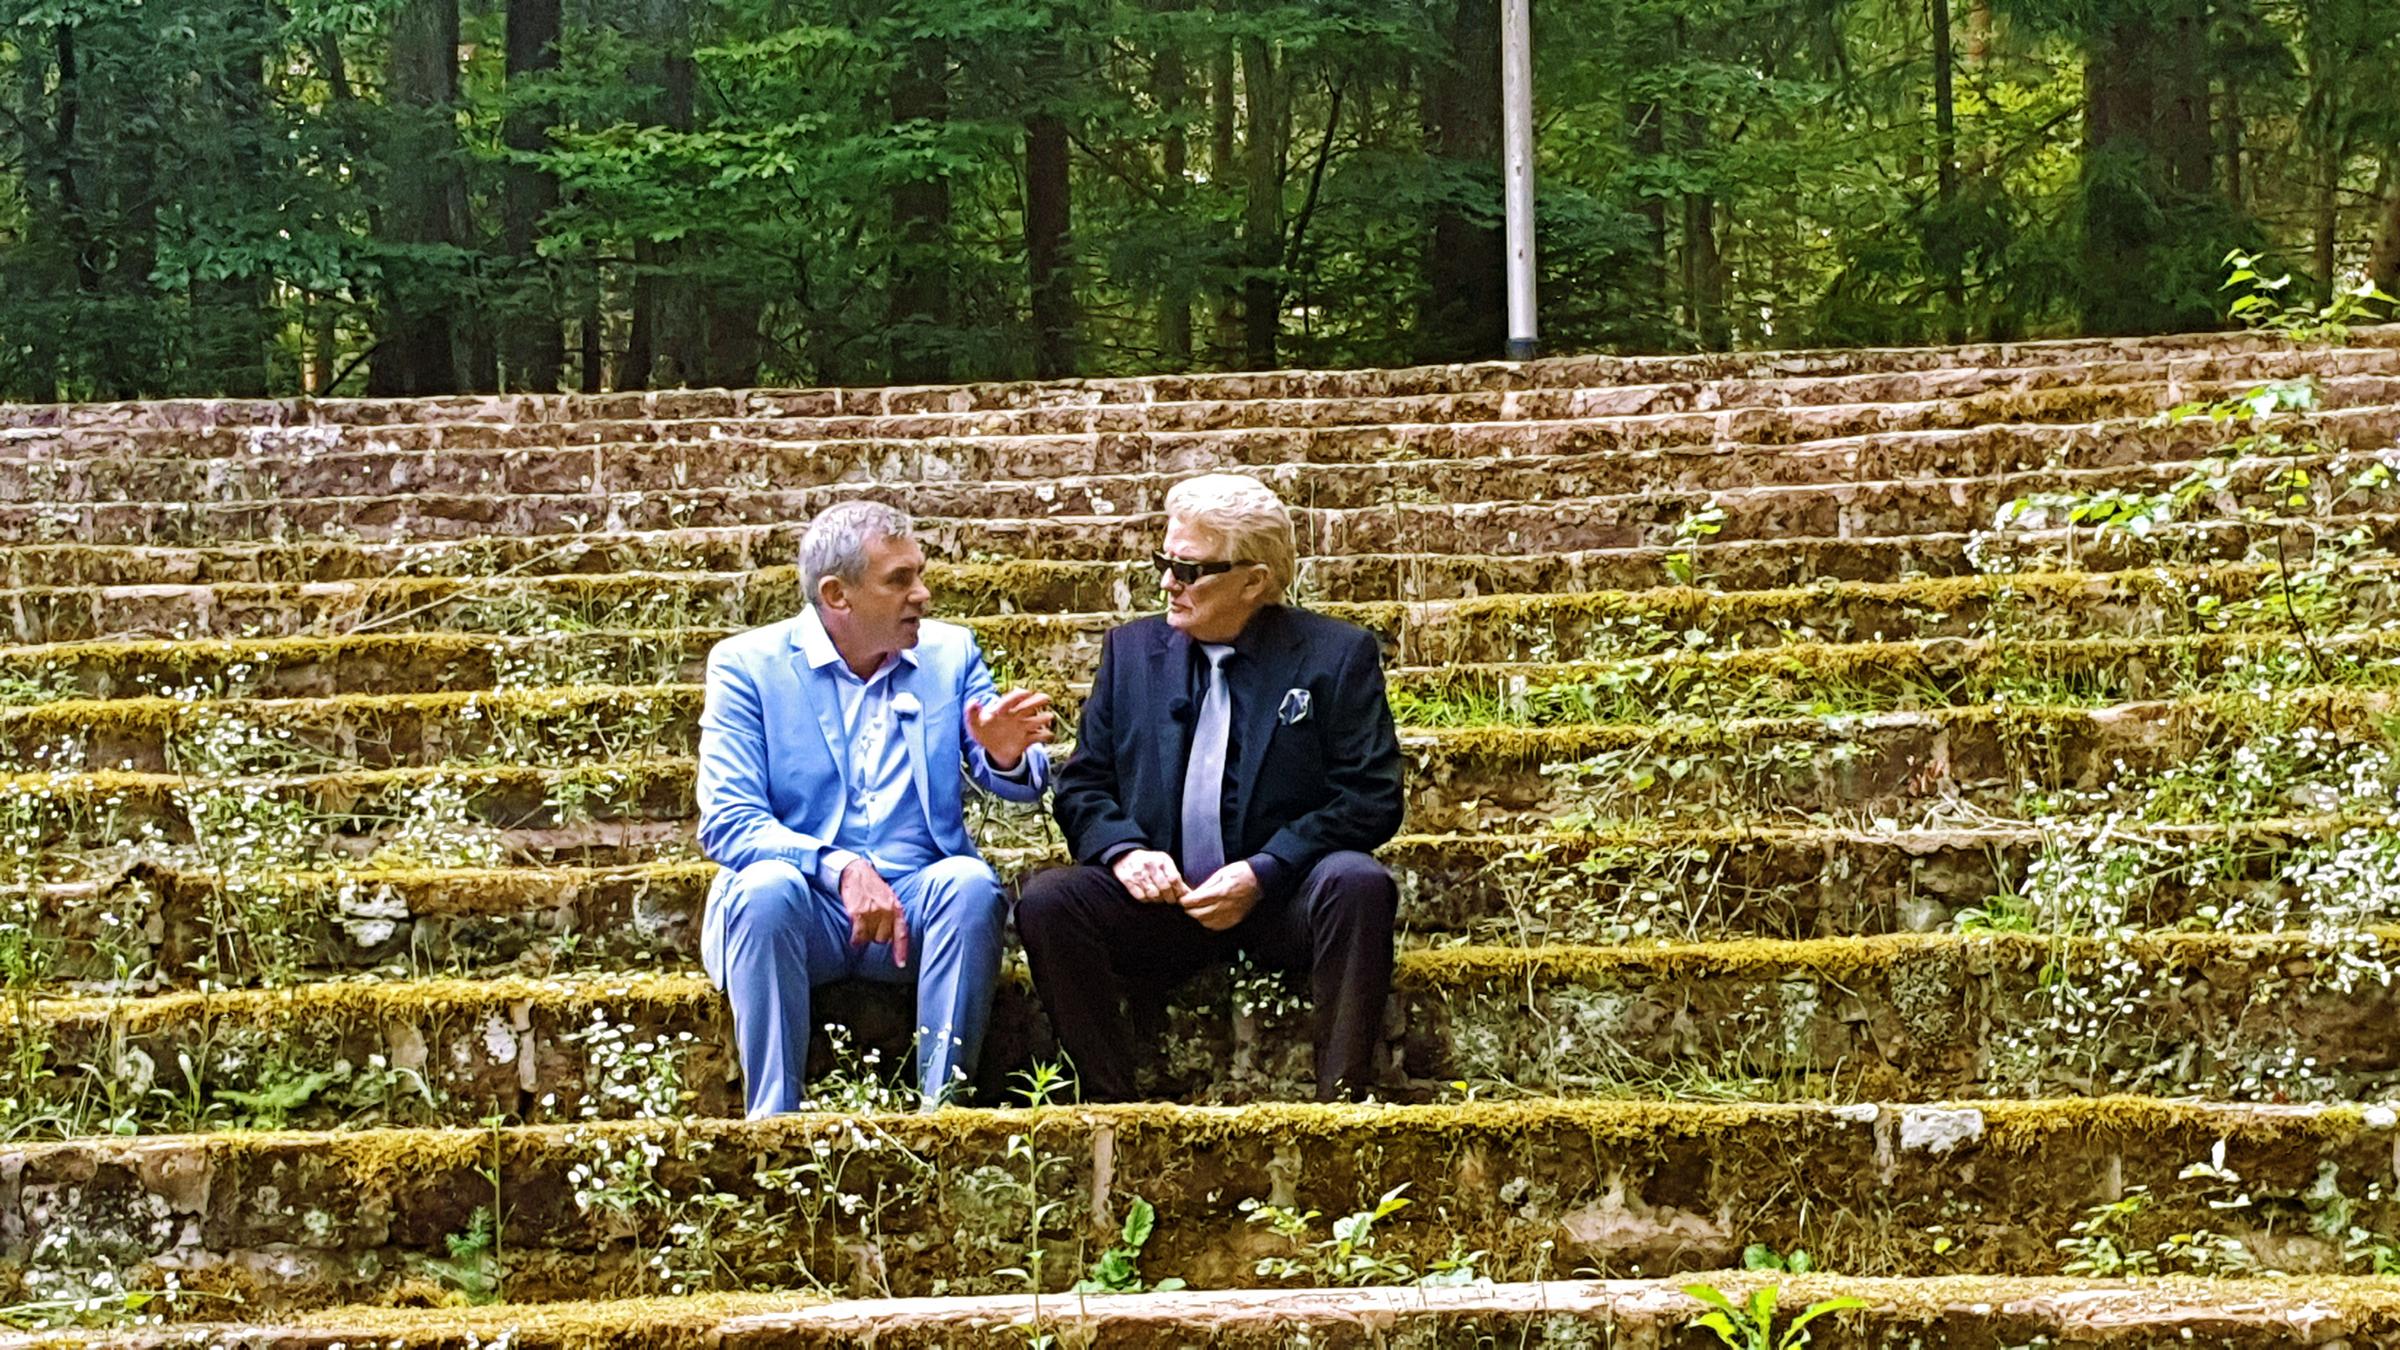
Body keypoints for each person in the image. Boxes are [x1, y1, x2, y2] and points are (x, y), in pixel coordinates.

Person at [1016, 473, 1405, 1102]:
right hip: (1158, 902)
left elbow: (1371, 795)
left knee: (1359, 884)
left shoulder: (1336, 655)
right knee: (1047, 903)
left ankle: (1345, 1102)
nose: (1169, 582)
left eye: (1189, 570)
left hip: (1280, 898)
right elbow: (1084, 782)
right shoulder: (1130, 651)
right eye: (1163, 563)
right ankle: (1113, 1105)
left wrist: (1267, 869)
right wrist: (1125, 853)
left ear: (1253, 580)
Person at [696, 500, 1054, 1114]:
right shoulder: (746, 666)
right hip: (804, 910)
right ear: (837, 595)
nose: (923, 594)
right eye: (899, 580)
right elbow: (729, 822)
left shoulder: (950, 654)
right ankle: (773, 1122)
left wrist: (1003, 755)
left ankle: (945, 1117)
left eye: (919, 572)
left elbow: (1023, 784)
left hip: (915, 909)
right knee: (762, 890)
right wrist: (840, 868)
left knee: (970, 884)